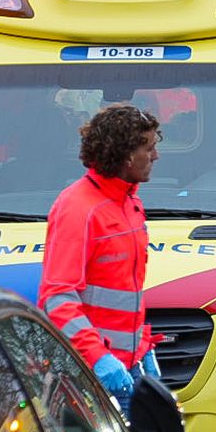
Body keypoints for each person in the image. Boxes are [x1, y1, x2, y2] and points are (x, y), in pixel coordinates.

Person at [39, 104, 163, 413]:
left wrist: (143, 346)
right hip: (88, 377)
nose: (155, 156)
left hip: (123, 368)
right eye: (148, 148)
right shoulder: (78, 208)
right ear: (124, 154)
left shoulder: (129, 201)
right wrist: (100, 359)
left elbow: (124, 289)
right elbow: (57, 298)